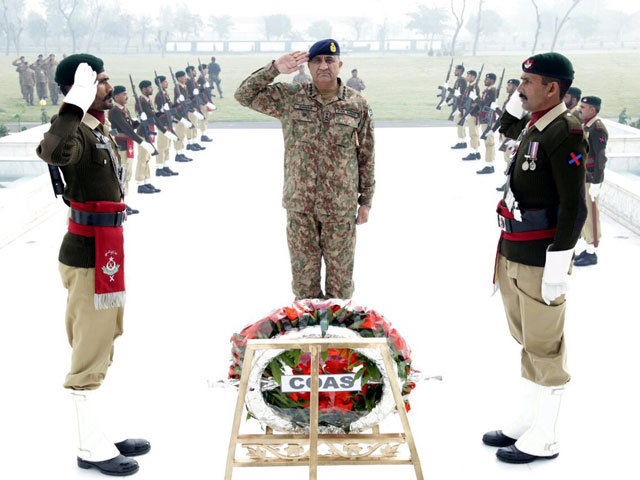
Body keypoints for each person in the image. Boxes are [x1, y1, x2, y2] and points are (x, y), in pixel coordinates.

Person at [35, 54, 150, 476]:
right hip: (88, 256)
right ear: (79, 89)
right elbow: (52, 151)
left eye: (104, 80)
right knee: (89, 351)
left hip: (107, 251)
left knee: (106, 339)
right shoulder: (76, 129)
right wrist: (74, 105)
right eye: (98, 82)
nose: (107, 86)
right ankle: (89, 448)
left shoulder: (98, 129)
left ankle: (101, 433)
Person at [485, 52, 588, 464]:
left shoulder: (565, 132)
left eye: (529, 82)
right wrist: (520, 98)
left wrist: (558, 266)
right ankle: (526, 420)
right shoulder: (535, 125)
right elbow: (504, 124)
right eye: (520, 81)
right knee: (527, 341)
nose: (520, 88)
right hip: (513, 251)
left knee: (545, 348)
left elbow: (573, 207)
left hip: (541, 259)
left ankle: (546, 435)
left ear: (553, 88)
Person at [235, 39, 375, 299]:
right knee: (304, 284)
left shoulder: (357, 104)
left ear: (340, 65)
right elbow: (243, 95)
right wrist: (275, 68)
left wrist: (365, 200)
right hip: (301, 206)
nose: (324, 66)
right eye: (317, 61)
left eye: (329, 61)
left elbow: (366, 154)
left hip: (339, 207)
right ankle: (307, 337)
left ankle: (337, 337)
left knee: (341, 284)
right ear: (308, 67)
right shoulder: (289, 98)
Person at [108, 84, 156, 211]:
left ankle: (123, 202)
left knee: (126, 174)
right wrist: (142, 142)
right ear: (116, 96)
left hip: (127, 145)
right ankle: (119, 203)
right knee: (122, 175)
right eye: (124, 94)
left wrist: (140, 120)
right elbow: (127, 130)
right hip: (121, 147)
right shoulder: (115, 111)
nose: (126, 96)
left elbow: (131, 126)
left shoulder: (123, 109)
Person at [575, 96, 608, 266]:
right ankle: (588, 247)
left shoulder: (597, 128)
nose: (579, 109)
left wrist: (596, 182)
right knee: (584, 213)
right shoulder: (586, 126)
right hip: (583, 177)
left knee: (591, 214)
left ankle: (593, 252)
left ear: (592, 110)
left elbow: (600, 157)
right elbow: (583, 152)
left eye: (583, 107)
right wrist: (569, 163)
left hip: (591, 180)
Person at [133, 80, 163, 193]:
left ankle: (146, 181)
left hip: (148, 130)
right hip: (142, 132)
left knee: (147, 157)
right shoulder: (141, 101)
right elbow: (150, 115)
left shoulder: (146, 100)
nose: (152, 89)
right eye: (149, 88)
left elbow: (152, 115)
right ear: (144, 89)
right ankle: (140, 184)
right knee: (142, 158)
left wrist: (160, 112)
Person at [155, 74, 192, 163]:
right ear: (160, 84)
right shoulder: (159, 96)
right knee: (162, 146)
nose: (166, 83)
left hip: (168, 122)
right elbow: (160, 112)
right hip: (163, 123)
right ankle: (160, 167)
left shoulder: (165, 94)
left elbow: (171, 107)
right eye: (165, 82)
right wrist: (162, 110)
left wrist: (177, 102)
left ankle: (165, 166)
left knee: (167, 146)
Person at [496, 79, 520, 192]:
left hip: (512, 132)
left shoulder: (517, 100)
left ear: (515, 87)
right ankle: (509, 182)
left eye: (510, 85)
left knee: (510, 158)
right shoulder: (511, 98)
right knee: (507, 158)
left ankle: (510, 183)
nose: (507, 87)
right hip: (508, 132)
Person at [476, 73, 498, 174]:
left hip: (488, 118)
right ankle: (490, 164)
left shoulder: (492, 91)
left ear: (493, 81)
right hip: (484, 118)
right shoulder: (487, 90)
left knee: (489, 142)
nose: (485, 80)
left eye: (487, 79)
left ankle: (489, 165)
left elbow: (485, 104)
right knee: (488, 142)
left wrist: (476, 99)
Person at [459, 70, 481, 161]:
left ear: (473, 77)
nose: (467, 77)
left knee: (473, 133)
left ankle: (473, 152)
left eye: (469, 76)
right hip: (468, 112)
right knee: (473, 133)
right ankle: (476, 152)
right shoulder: (469, 87)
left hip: (473, 114)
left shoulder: (475, 88)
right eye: (467, 75)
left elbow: (478, 103)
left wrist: (471, 109)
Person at [450, 65, 469, 149]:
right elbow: (454, 91)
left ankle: (462, 142)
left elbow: (460, 93)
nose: (455, 71)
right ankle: (462, 141)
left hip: (461, 104)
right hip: (457, 103)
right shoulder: (459, 80)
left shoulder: (462, 80)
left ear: (460, 71)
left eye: (456, 70)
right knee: (458, 123)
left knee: (459, 122)